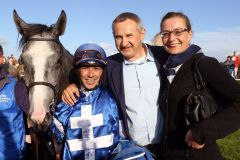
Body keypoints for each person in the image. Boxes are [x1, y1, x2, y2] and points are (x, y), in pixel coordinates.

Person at [61, 12, 168, 159]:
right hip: (134, 152)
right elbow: (89, 78)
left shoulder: (163, 57)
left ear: (142, 33)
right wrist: (72, 85)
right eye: (118, 37)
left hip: (169, 145)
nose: (124, 43)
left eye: (129, 35)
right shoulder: (110, 66)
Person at [159, 11, 240, 160]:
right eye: (166, 33)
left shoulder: (205, 65)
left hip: (198, 154)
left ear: (189, 34)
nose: (171, 38)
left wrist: (204, 131)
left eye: (178, 32)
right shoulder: (163, 68)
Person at [51, 43, 120, 160]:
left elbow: (120, 138)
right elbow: (55, 138)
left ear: (102, 71)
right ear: (78, 71)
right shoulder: (66, 102)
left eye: (96, 68)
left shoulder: (111, 99)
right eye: (85, 68)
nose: (91, 74)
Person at [0, 62, 30, 159]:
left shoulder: (16, 87)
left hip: (11, 155)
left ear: (0, 59)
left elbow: (33, 117)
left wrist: (29, 135)